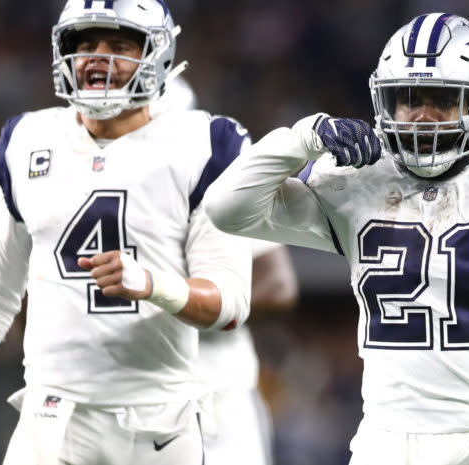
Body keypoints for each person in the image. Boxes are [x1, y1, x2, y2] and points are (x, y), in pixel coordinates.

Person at [204, 12, 469, 465]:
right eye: (408, 99)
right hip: (387, 440)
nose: (422, 116)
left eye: (442, 100)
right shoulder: (357, 182)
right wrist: (301, 138)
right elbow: (227, 209)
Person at [0, 1, 253, 464]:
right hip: (52, 417)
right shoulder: (27, 140)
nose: (97, 58)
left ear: (157, 54)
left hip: (160, 423)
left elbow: (229, 304)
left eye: (119, 45)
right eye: (85, 44)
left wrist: (151, 284)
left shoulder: (205, 145)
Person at [153, 76, 300, 465]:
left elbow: (278, 284)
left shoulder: (216, 179)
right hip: (122, 395)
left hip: (215, 393)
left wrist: (170, 297)